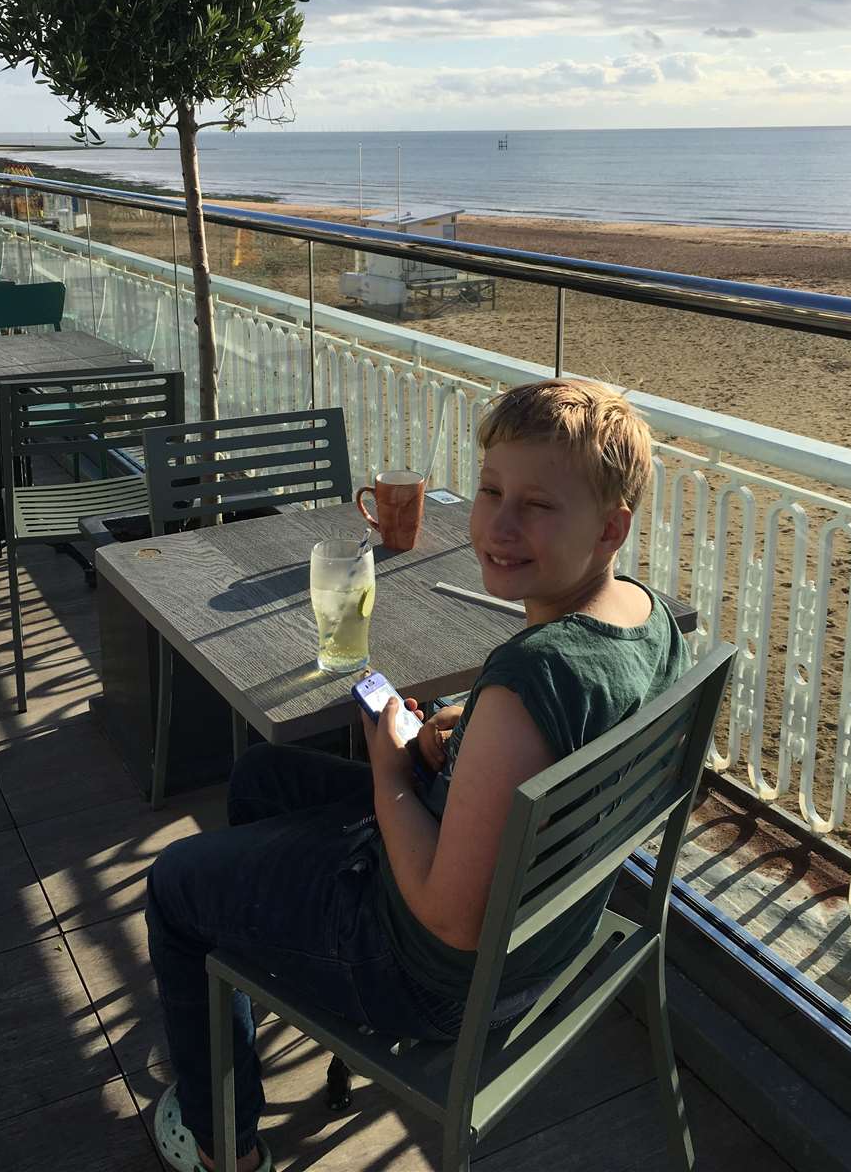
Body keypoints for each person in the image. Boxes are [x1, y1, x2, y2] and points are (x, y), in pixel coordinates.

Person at [146, 378, 690, 1172]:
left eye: (538, 506)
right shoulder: (647, 618)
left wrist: (391, 768)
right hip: (544, 932)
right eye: (491, 489)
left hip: (436, 977)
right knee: (264, 777)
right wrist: (462, 732)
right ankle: (258, 979)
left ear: (611, 527)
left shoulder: (526, 681)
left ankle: (220, 1143)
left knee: (175, 886)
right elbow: (555, 737)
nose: (499, 524)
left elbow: (450, 918)